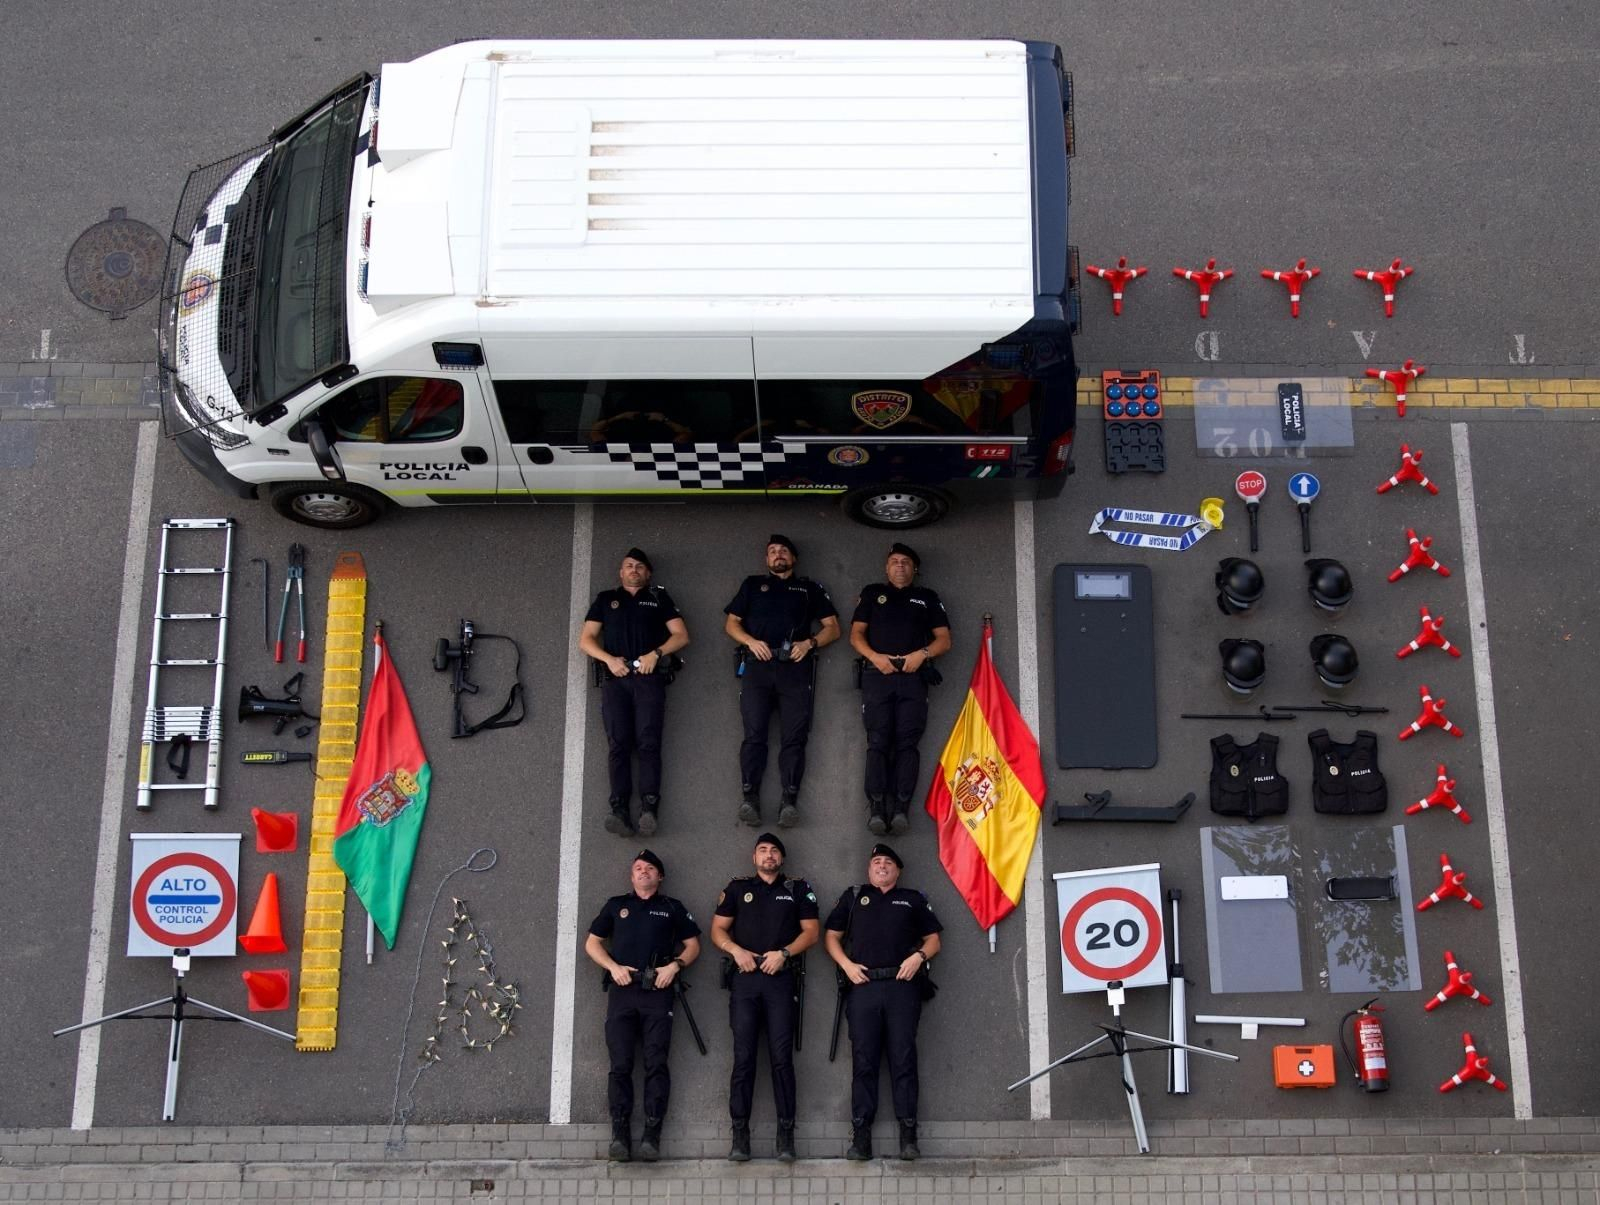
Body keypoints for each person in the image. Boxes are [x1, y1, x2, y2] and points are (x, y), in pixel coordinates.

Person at [823, 844, 943, 1161]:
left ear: (897, 870)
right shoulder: (852, 897)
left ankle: (908, 1136)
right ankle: (861, 1138)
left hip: (902, 988)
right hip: (863, 988)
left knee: (903, 1060)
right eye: (876, 861)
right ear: (868, 869)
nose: (882, 866)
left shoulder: (913, 899)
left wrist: (918, 958)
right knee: (864, 1062)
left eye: (888, 862)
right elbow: (831, 936)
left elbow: (934, 940)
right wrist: (846, 966)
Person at [584, 850, 702, 1163]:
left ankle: (652, 1133)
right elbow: (592, 943)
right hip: (623, 991)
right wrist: (612, 967)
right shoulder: (616, 905)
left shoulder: (671, 908)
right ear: (631, 876)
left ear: (659, 876)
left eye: (650, 868)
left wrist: (674, 967)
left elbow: (693, 946)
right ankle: (620, 1134)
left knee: (656, 1063)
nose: (643, 872)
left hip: (658, 992)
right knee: (620, 1064)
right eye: (638, 868)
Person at [710, 833, 821, 1162]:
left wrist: (784, 954)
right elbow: (717, 929)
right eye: (763, 850)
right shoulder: (737, 888)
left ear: (782, 859)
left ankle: (786, 1135)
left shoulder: (797, 889)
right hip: (745, 980)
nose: (768, 855)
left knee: (781, 1060)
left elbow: (812, 932)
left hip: (780, 981)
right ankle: (740, 1136)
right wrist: (735, 950)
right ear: (753, 856)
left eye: (774, 851)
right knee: (743, 1059)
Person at [723, 534, 841, 827]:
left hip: (795, 668)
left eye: (783, 551)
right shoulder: (752, 585)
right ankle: (749, 798)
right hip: (757, 667)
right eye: (772, 551)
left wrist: (810, 643)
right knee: (754, 734)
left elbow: (833, 628)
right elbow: (731, 623)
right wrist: (750, 642)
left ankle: (789, 800)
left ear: (793, 558)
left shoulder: (809, 588)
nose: (778, 555)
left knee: (795, 737)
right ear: (766, 559)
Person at [579, 548, 690, 837]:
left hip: (648, 678)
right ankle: (619, 810)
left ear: (648, 573)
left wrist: (656, 653)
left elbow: (681, 635)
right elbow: (586, 639)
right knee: (618, 744)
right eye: (629, 566)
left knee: (648, 743)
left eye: (640, 567)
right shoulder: (606, 599)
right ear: (621, 571)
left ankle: (649, 808)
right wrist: (608, 659)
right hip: (616, 679)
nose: (634, 570)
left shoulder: (658, 598)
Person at [849, 543, 952, 834]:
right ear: (886, 567)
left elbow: (944, 639)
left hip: (913, 677)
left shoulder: (927, 597)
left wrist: (922, 655)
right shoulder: (872, 593)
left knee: (908, 744)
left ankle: (901, 809)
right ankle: (878, 808)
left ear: (914, 568)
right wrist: (874, 657)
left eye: (906, 562)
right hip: (877, 675)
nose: (900, 566)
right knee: (878, 742)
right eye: (894, 561)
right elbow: (856, 635)